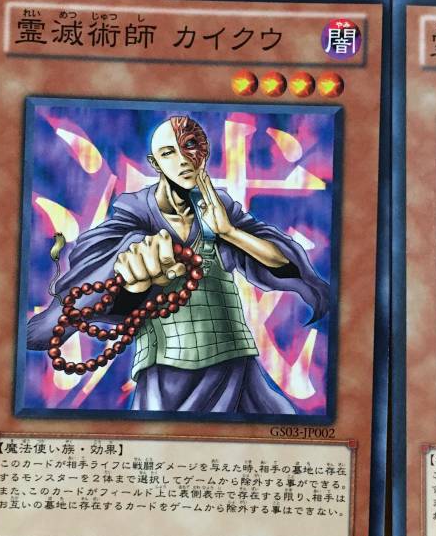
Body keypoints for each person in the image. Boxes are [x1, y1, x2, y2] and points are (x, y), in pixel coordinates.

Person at [28, 114, 329, 414]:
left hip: (234, 364)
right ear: (155, 163)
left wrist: (230, 232)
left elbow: (284, 263)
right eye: (168, 152)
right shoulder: (135, 213)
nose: (183, 160)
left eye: (190, 145)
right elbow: (103, 269)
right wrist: (133, 276)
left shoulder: (219, 208)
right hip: (165, 371)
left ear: (204, 151)